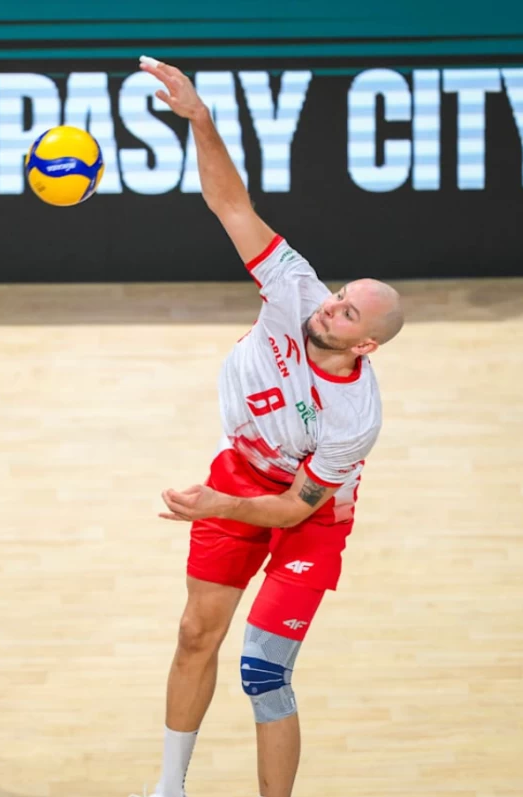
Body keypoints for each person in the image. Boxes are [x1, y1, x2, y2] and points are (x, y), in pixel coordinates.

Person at [135, 57, 405, 797]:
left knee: (264, 671)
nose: (331, 306)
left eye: (347, 311)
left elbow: (296, 507)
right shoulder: (294, 290)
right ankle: (169, 788)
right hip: (240, 474)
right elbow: (231, 205)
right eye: (339, 296)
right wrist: (200, 119)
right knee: (196, 633)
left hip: (308, 512)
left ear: (365, 345)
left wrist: (218, 507)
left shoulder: (355, 417)